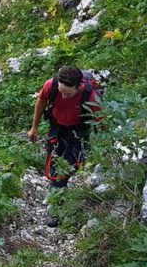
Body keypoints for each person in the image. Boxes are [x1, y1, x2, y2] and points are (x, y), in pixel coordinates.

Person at [28, 65, 104, 227]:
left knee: (67, 166)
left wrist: (108, 145)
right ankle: (56, 200)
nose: (63, 96)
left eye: (68, 94)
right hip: (57, 127)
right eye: (61, 92)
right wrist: (34, 127)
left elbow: (102, 120)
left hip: (78, 130)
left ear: (79, 86)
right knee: (56, 163)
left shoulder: (89, 96)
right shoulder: (51, 85)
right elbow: (41, 102)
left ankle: (55, 205)